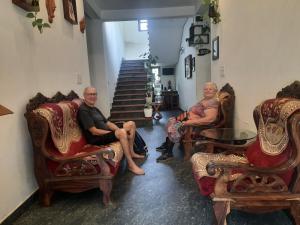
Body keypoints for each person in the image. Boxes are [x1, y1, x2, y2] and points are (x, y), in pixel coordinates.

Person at [77, 87, 145, 175]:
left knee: (131, 124)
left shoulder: (95, 109)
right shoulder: (83, 110)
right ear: (84, 95)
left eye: (94, 94)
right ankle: (131, 164)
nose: (93, 96)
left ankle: (132, 152)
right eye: (90, 94)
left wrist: (117, 130)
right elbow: (94, 131)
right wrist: (116, 133)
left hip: (105, 133)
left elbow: (108, 123)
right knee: (121, 132)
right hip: (96, 138)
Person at [156, 82, 219, 162]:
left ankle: (169, 152)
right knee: (171, 121)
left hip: (193, 125)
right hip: (187, 119)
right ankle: (167, 144)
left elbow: (209, 119)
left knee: (174, 126)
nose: (207, 91)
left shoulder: (212, 103)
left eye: (210, 89)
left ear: (215, 91)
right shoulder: (207, 100)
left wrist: (188, 122)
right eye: (205, 89)